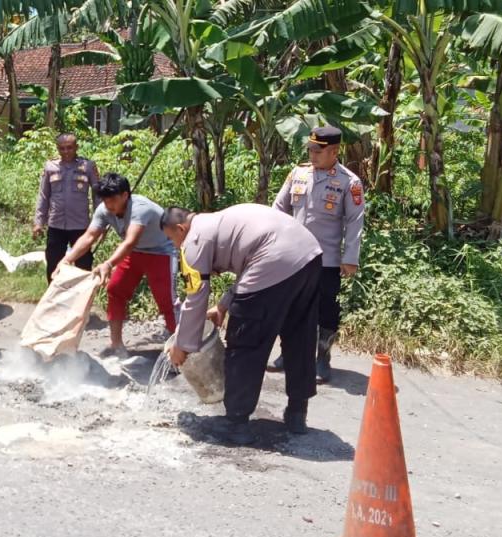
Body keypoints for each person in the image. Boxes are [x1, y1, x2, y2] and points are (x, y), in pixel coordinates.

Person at [163, 204, 323, 445]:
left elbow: (195, 296)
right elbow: (251, 265)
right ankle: (297, 413)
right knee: (300, 334)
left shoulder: (193, 240)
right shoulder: (219, 221)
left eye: (171, 239)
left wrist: (182, 345)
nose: (175, 246)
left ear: (180, 228)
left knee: (245, 340)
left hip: (275, 259)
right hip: (309, 255)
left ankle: (236, 423)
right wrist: (223, 305)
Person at [270, 126, 365, 382]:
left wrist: (350, 258)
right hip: (294, 258)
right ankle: (287, 354)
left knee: (326, 310)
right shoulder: (297, 174)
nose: (312, 154)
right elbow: (279, 208)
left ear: (334, 151)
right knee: (290, 306)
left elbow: (355, 221)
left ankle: (322, 358)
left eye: (317, 150)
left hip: (327, 260)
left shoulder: (349, 182)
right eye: (310, 149)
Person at [58, 172, 177, 357]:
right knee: (115, 289)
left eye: (112, 200)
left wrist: (108, 264)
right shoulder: (104, 210)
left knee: (166, 301)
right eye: (105, 200)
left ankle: (181, 351)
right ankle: (116, 344)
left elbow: (129, 242)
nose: (109, 205)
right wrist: (67, 259)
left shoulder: (140, 208)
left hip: (160, 252)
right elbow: (90, 236)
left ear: (125, 195)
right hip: (135, 253)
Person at [33, 133, 101, 283]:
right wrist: (39, 222)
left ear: (76, 147)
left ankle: (81, 300)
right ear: (57, 149)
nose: (65, 152)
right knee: (53, 264)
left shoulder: (87, 166)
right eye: (61, 148)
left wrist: (99, 224)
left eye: (69, 148)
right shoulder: (51, 166)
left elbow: (98, 196)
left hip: (81, 226)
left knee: (83, 266)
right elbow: (43, 196)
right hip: (56, 225)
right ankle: (54, 299)